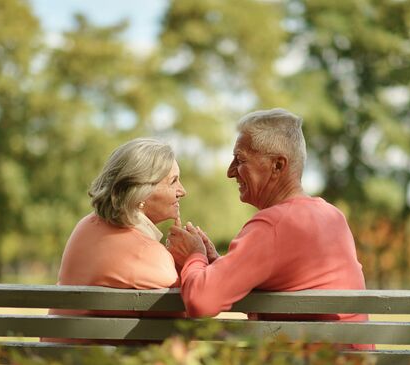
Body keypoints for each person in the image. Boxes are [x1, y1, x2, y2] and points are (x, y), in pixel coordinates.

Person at [167, 108, 370, 349]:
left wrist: (194, 256)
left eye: (240, 160)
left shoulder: (273, 225)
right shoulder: (332, 215)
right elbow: (286, 276)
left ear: (277, 165)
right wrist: (216, 263)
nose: (230, 172)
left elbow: (201, 302)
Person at [46, 138, 186, 343]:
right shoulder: (149, 254)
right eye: (173, 181)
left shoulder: (85, 226)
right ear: (141, 191)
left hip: (56, 355)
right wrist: (193, 258)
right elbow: (187, 320)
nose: (183, 191)